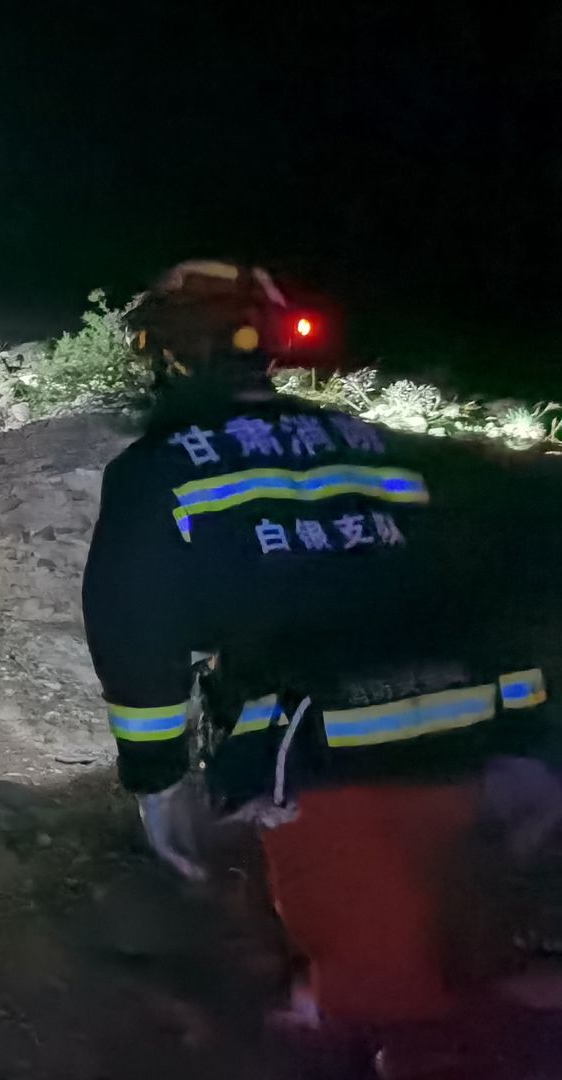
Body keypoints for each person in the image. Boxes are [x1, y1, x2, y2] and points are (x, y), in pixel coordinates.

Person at [82, 259, 561, 1050]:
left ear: (164, 353)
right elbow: (473, 581)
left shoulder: (157, 468)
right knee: (466, 953)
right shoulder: (373, 444)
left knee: (388, 1011)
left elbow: (136, 636)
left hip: (329, 760)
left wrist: (159, 779)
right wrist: (528, 740)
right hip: (469, 744)